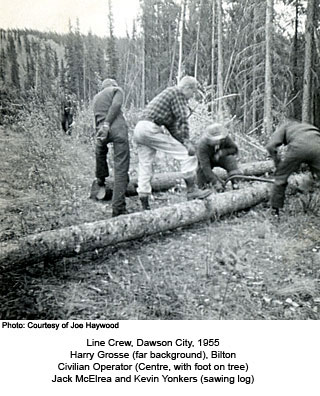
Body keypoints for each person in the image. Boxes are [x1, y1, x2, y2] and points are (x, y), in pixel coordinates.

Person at [133, 76, 211, 210]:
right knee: (187, 155)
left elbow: (173, 127)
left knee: (145, 165)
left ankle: (144, 203)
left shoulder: (169, 96)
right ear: (187, 88)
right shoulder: (177, 93)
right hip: (150, 128)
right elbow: (182, 119)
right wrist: (187, 143)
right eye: (192, 93)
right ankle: (192, 190)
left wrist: (183, 140)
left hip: (140, 129)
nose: (191, 97)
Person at [93, 78, 130, 217]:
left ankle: (101, 179)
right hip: (117, 129)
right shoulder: (116, 90)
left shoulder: (96, 98)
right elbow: (116, 105)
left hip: (101, 131)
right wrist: (107, 124)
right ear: (113, 85)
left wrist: (100, 130)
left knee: (100, 152)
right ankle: (118, 208)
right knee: (121, 168)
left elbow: (96, 119)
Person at [265, 119, 320, 213]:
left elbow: (270, 146)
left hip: (297, 148)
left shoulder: (285, 126)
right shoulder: (308, 127)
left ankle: (275, 211)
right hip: (318, 147)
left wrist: (278, 165)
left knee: (280, 179)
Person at [196, 123, 242, 191]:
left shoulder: (224, 138)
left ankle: (235, 182)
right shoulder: (202, 146)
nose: (218, 141)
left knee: (231, 159)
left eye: (219, 139)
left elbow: (234, 149)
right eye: (214, 139)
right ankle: (211, 185)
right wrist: (215, 182)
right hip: (206, 162)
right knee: (201, 182)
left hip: (220, 158)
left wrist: (222, 153)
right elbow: (205, 167)